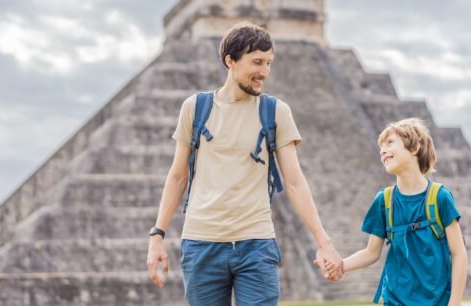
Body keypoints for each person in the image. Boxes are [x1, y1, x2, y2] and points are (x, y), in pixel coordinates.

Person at [146, 22, 342, 305]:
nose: (264, 71)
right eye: (257, 62)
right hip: (202, 244)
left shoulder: (276, 112)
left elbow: (295, 182)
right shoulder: (195, 108)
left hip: (257, 245)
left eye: (269, 63)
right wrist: (157, 236)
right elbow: (177, 176)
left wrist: (324, 241)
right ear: (230, 61)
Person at [322, 118, 468, 305]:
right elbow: (371, 252)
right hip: (395, 299)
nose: (383, 150)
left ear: (414, 148)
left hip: (436, 300)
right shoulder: (384, 201)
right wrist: (341, 266)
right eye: (381, 146)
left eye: (390, 143)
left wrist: (454, 302)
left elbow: (459, 253)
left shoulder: (440, 197)